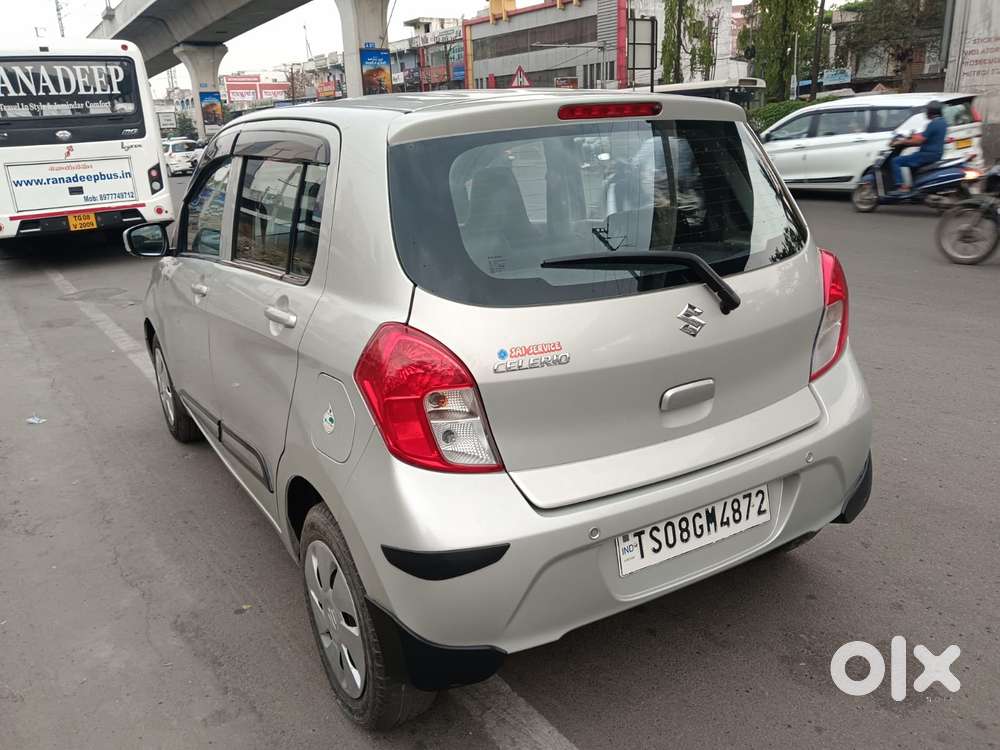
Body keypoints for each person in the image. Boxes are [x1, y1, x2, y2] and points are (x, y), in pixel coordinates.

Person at [890, 100, 947, 194]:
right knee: (912, 160)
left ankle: (902, 187)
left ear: (931, 112)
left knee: (896, 161)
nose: (926, 113)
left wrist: (903, 141)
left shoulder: (933, 124)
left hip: (927, 154)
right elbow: (926, 135)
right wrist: (913, 136)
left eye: (927, 111)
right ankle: (914, 186)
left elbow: (920, 141)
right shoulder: (942, 122)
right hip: (936, 154)